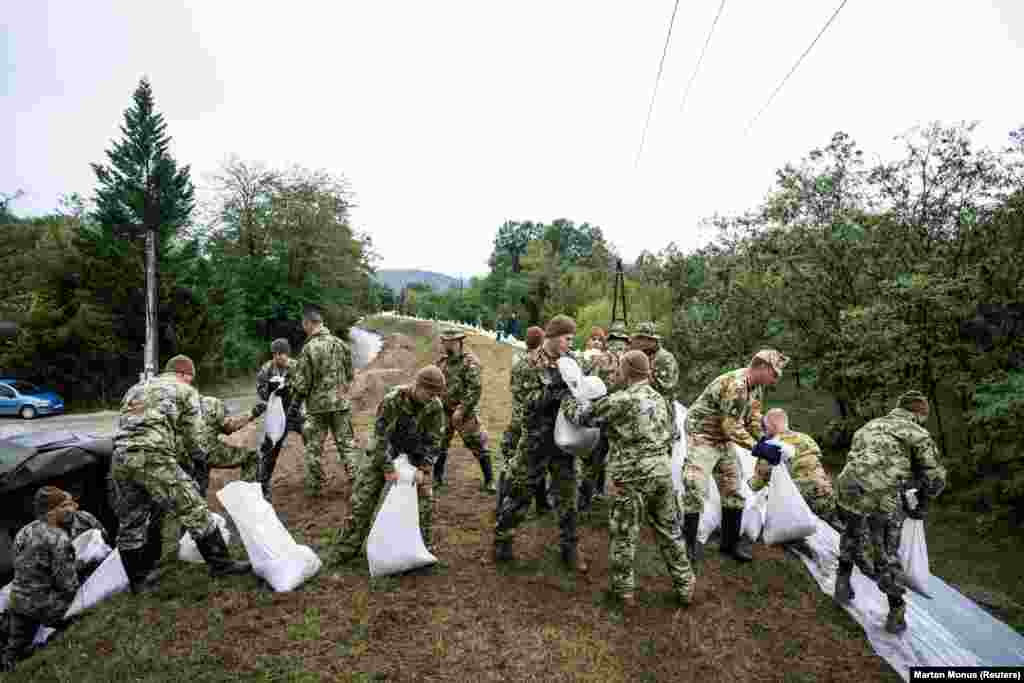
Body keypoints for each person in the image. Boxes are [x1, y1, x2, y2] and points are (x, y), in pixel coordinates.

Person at [108, 355, 251, 594]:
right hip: (153, 457)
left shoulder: (136, 388)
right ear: (186, 375)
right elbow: (196, 440)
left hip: (120, 458)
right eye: (191, 377)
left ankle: (138, 582)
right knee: (194, 507)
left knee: (131, 521)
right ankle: (222, 565)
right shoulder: (185, 391)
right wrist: (198, 465)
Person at [564, 351, 695, 607]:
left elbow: (584, 417)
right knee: (670, 531)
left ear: (627, 371)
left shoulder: (622, 399)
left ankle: (623, 592)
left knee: (624, 533)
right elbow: (671, 435)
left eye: (620, 368)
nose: (617, 373)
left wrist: (569, 398)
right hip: (661, 472)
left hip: (632, 475)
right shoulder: (660, 399)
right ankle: (685, 584)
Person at [833, 390, 947, 635]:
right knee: (885, 550)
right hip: (880, 496)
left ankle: (842, 582)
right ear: (919, 414)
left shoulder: (869, 426)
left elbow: (858, 458)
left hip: (846, 488)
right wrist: (924, 504)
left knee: (852, 531)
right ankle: (896, 611)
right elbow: (935, 477)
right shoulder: (917, 432)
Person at [494, 315, 588, 573]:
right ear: (553, 336)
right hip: (534, 440)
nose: (570, 343)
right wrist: (553, 388)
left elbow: (579, 393)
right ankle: (503, 541)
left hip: (563, 442)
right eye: (567, 339)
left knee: (568, 496)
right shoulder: (528, 364)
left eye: (571, 339)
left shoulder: (572, 362)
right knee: (519, 492)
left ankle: (570, 548)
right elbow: (525, 405)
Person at [680, 350, 789, 565]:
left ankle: (729, 545)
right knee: (695, 485)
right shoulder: (737, 385)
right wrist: (757, 448)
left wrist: (765, 441)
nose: (776, 379)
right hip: (702, 433)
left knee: (733, 487)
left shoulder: (757, 388)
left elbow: (754, 418)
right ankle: (687, 546)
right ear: (762, 367)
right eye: (774, 374)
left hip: (723, 437)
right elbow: (730, 426)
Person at [331, 366, 447, 563]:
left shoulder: (435, 406)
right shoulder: (393, 400)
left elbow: (435, 441)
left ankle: (420, 549)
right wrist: (387, 469)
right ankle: (346, 549)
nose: (433, 397)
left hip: (414, 454)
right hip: (384, 451)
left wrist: (424, 470)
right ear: (417, 386)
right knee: (362, 499)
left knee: (425, 501)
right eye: (429, 392)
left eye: (436, 393)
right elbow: (379, 439)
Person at [1, 487, 80, 672]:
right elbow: (68, 585)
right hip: (44, 604)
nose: (69, 510)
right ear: (51, 511)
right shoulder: (58, 538)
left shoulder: (23, 531)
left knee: (14, 649)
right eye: (63, 506)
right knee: (80, 617)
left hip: (18, 600)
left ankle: (8, 666)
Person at [749, 408, 837, 557]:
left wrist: (746, 487)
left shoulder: (771, 447)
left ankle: (795, 541)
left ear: (770, 426)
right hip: (823, 490)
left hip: (798, 498)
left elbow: (758, 483)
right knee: (840, 525)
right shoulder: (806, 438)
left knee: (777, 507)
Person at [290, 307, 359, 497]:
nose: (303, 328)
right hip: (340, 404)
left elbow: (303, 383)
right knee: (346, 445)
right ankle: (356, 482)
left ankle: (315, 486)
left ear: (308, 323)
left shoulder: (309, 348)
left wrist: (295, 405)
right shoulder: (341, 344)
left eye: (304, 325)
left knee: (314, 448)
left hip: (317, 407)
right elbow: (351, 374)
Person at [433, 328, 496, 493]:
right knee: (439, 444)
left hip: (464, 412)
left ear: (459, 342)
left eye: (449, 341)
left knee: (478, 443)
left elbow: (475, 389)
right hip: (444, 411)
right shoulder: (441, 362)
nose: (446, 344)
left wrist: (461, 410)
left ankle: (490, 480)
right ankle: (436, 478)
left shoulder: (470, 362)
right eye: (444, 341)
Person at [578, 321, 629, 511]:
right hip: (623, 419)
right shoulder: (631, 360)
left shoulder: (599, 359)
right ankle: (622, 503)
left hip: (601, 415)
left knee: (594, 460)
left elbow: (586, 383)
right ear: (626, 340)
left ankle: (585, 501)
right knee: (625, 461)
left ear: (609, 340)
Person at [497, 325, 546, 514]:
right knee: (537, 462)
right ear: (542, 343)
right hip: (532, 423)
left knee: (509, 461)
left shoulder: (518, 363)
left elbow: (513, 389)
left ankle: (500, 504)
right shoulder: (538, 365)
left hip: (516, 419)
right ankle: (541, 505)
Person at [254, 338, 306, 502]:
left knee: (312, 438)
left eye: (282, 353)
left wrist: (289, 390)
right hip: (277, 414)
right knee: (270, 449)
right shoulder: (267, 369)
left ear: (287, 353)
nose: (280, 357)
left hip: (295, 412)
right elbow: (261, 392)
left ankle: (315, 476)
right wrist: (269, 389)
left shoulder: (297, 367)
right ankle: (263, 485)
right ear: (273, 354)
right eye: (276, 354)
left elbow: (305, 387)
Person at [190, 395, 263, 499]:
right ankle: (249, 497)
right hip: (209, 452)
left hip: (187, 452)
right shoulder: (212, 403)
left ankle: (197, 503)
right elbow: (229, 427)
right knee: (251, 456)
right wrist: (253, 413)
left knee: (199, 475)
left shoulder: (182, 404)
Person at [629, 322, 680, 440]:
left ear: (652, 340)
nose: (638, 342)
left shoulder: (664, 358)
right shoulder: (640, 355)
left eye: (641, 338)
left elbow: (667, 388)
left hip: (661, 413)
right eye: (638, 338)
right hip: (643, 413)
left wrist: (645, 375)